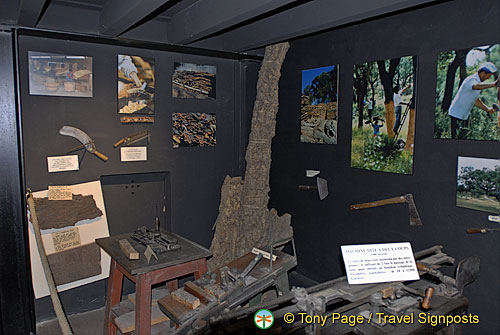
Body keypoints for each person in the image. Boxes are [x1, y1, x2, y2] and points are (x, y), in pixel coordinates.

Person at [448, 62, 499, 139]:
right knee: (456, 140)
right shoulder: (472, 79)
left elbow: (475, 100)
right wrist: (493, 84)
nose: (488, 78)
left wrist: (487, 109)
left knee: (464, 138)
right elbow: (475, 86)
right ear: (483, 72)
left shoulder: (477, 82)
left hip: (465, 116)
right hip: (456, 115)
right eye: (488, 76)